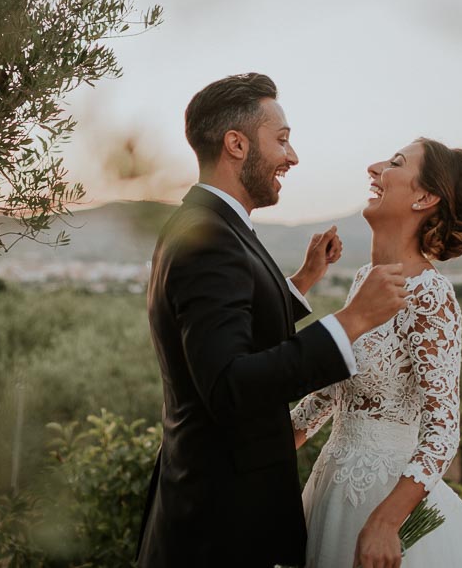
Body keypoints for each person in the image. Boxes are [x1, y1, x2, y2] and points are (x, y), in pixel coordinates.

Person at [137, 73, 409, 568]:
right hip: (221, 526)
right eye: (281, 140)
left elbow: (236, 319)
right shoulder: (210, 239)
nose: (293, 156)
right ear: (236, 144)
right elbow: (229, 385)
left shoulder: (211, 226)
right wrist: (351, 321)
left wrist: (301, 282)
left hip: (212, 509)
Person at [292, 139, 462, 568]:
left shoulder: (430, 295)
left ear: (424, 198)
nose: (374, 166)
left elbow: (442, 429)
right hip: (330, 488)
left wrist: (385, 522)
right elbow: (333, 392)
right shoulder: (365, 279)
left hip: (384, 501)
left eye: (395, 163)